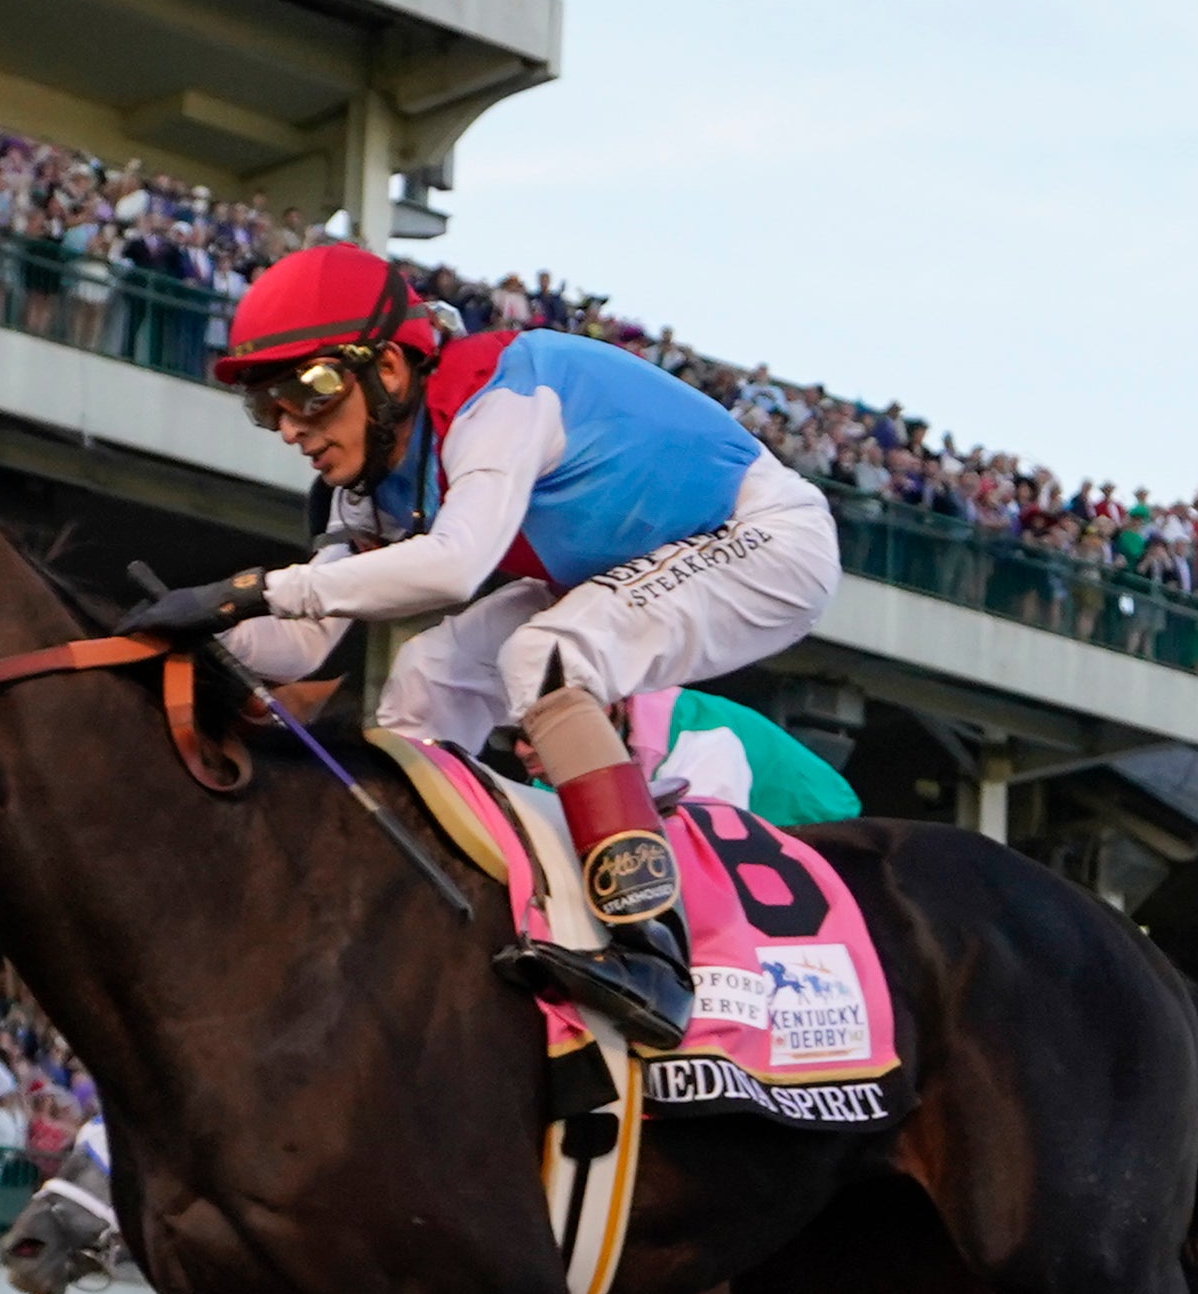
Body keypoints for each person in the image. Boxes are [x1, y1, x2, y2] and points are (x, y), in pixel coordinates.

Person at [141, 239, 843, 1050]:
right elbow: (301, 643)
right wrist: (177, 637)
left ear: (391, 372)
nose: (294, 427)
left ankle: (653, 949)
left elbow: (453, 565)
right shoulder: (368, 479)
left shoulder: (497, 398)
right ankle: (409, 911)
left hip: (762, 535)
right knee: (427, 675)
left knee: (547, 657)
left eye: (312, 390)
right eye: (270, 407)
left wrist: (252, 589)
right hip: (621, 562)